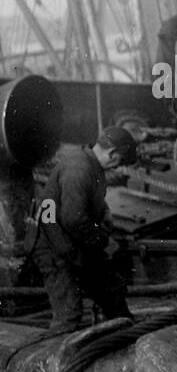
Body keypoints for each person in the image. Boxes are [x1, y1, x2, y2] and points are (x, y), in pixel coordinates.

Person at [30, 126, 138, 335]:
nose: (118, 167)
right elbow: (74, 220)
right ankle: (50, 362)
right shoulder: (79, 168)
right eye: (121, 162)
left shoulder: (90, 162)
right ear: (113, 154)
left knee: (111, 293)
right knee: (69, 314)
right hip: (52, 244)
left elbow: (84, 207)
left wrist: (103, 213)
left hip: (72, 240)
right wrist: (105, 241)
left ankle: (127, 336)